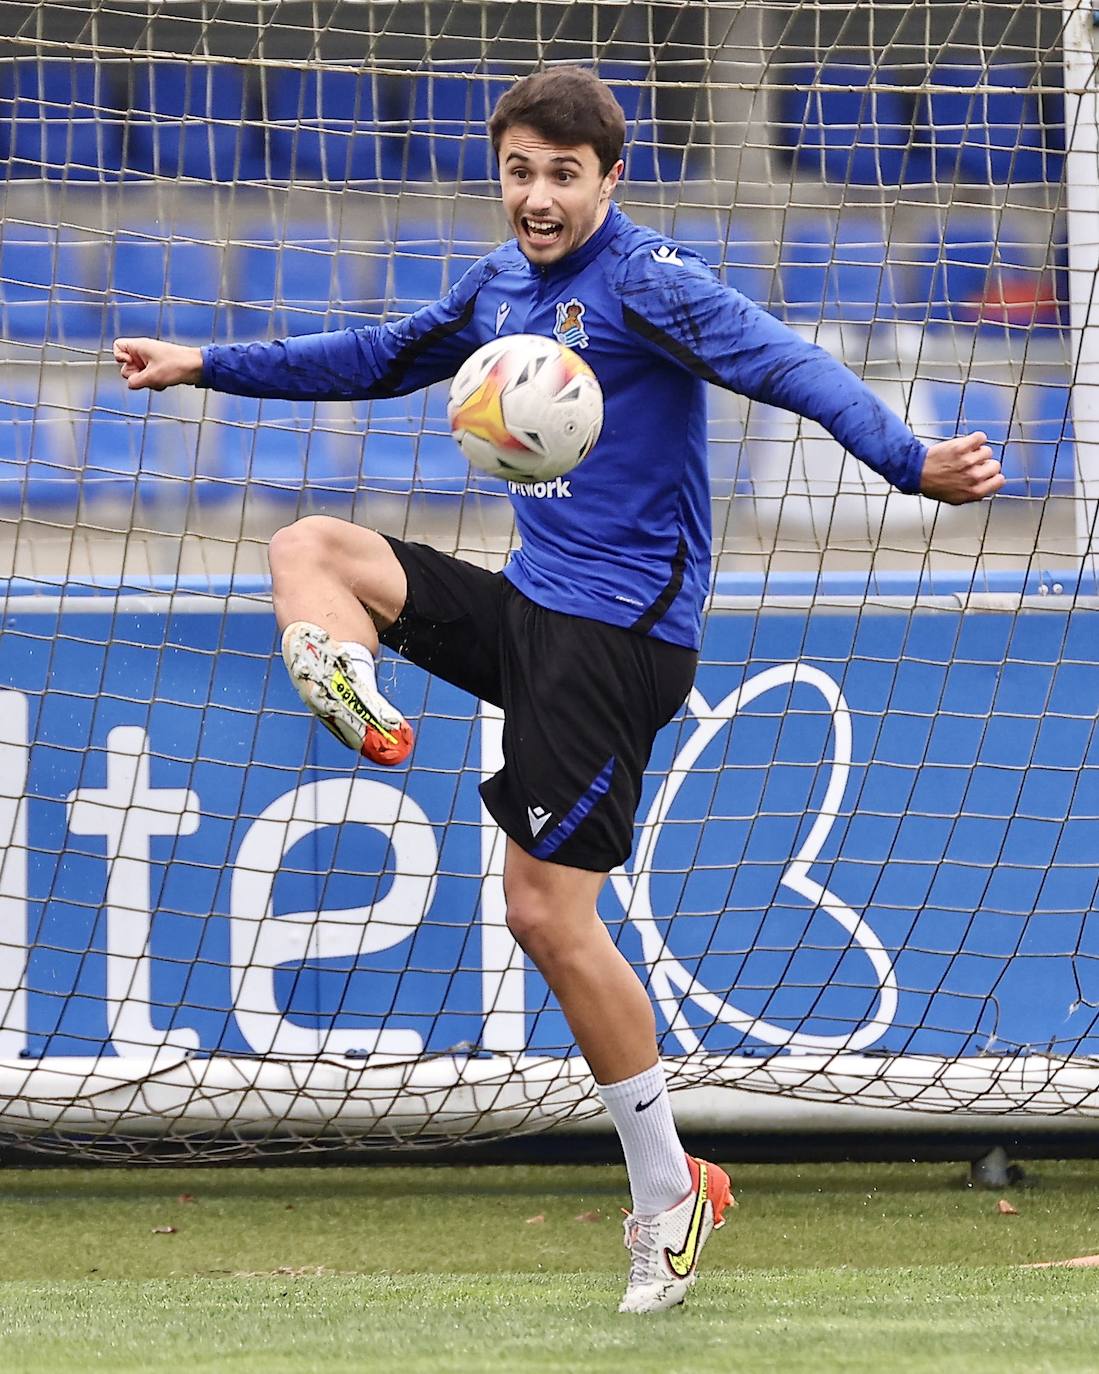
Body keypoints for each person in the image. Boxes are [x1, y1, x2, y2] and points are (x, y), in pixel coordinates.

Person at [113, 66, 1003, 1313]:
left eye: (563, 176)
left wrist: (910, 462)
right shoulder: (499, 284)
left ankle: (668, 1191)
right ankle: (346, 681)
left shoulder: (649, 282)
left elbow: (790, 365)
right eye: (519, 171)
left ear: (610, 179)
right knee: (309, 548)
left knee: (544, 914)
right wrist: (203, 362)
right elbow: (377, 356)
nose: (537, 197)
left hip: (617, 642)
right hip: (534, 610)